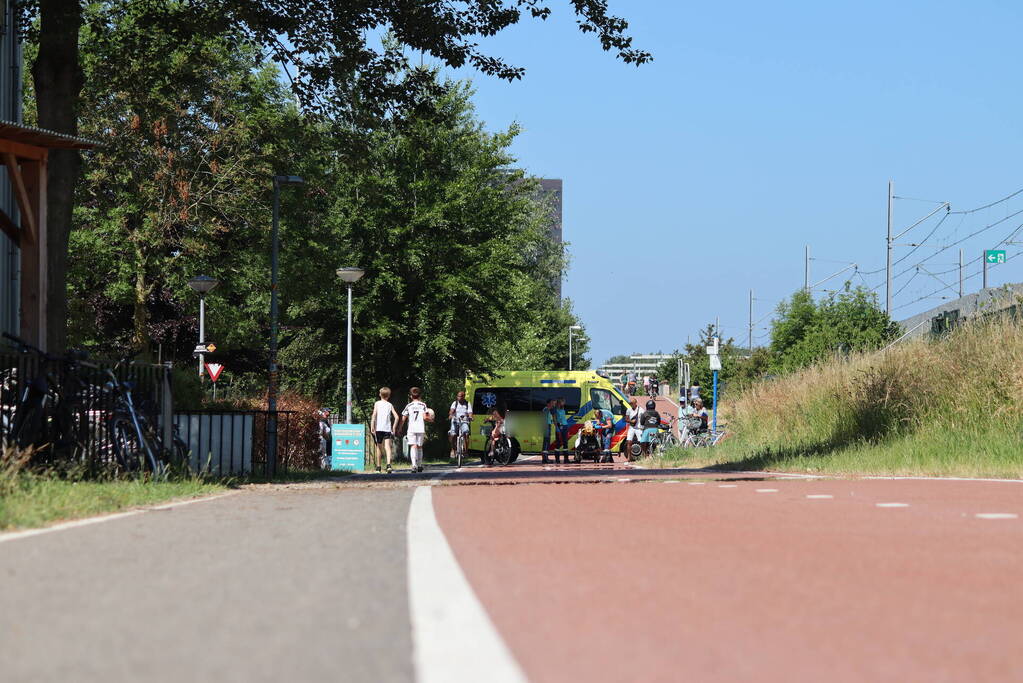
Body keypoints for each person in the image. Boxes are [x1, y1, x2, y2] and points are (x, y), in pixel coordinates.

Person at [398, 387, 432, 473]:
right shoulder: (423, 405)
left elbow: (403, 417)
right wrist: (431, 419)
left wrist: (400, 427)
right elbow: (425, 417)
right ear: (420, 395)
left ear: (410, 396)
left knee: (413, 446)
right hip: (420, 427)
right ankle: (420, 465)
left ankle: (413, 465)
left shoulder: (408, 406)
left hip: (411, 428)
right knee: (419, 446)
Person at [370, 387, 399, 473]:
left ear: (380, 394)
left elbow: (374, 415)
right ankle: (388, 465)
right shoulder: (389, 405)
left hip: (379, 428)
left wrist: (372, 425)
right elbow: (397, 417)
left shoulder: (377, 403)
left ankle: (378, 467)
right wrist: (393, 427)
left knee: (379, 447)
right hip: (387, 429)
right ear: (389, 396)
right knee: (388, 447)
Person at [447, 390, 473, 458]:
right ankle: (453, 449)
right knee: (453, 434)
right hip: (455, 420)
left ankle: (466, 451)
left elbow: (470, 412)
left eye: (461, 396)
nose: (459, 397)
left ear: (464, 397)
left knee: (466, 433)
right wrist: (450, 415)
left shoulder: (467, 403)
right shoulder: (455, 403)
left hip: (464, 421)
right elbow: (451, 410)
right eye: (458, 396)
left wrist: (470, 417)